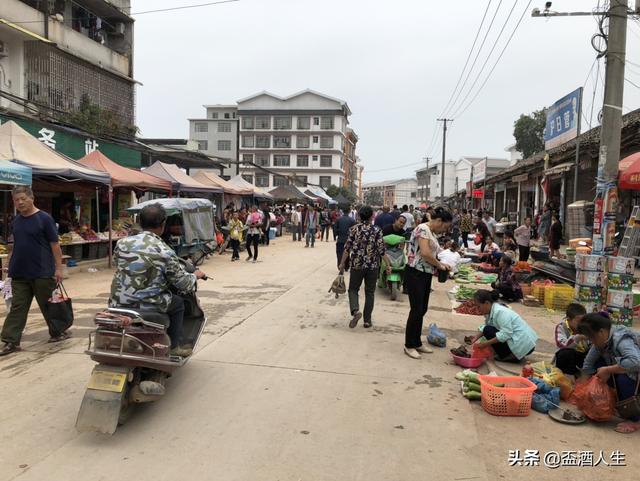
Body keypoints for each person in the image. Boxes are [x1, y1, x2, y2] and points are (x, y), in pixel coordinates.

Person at [110, 203, 206, 357]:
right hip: (150, 303)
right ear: (163, 225)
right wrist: (195, 276)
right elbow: (183, 283)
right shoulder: (165, 251)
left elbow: (118, 263)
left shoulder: (122, 244)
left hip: (118, 301)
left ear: (140, 222)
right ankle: (174, 346)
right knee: (178, 303)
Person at [0, 187, 66, 356]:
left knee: (48, 305)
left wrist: (58, 268)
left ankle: (58, 331)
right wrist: (8, 263)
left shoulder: (44, 219)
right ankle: (11, 341)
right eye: (16, 200)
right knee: (17, 307)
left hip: (42, 271)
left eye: (23, 198)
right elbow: (15, 245)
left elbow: (55, 245)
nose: (20, 202)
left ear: (32, 198)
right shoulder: (16, 221)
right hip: (19, 272)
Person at [403, 207, 453, 359]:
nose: (444, 230)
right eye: (444, 226)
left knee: (422, 309)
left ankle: (416, 342)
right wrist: (439, 265)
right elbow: (424, 253)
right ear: (439, 221)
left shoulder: (431, 232)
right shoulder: (423, 229)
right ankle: (409, 345)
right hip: (415, 272)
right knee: (416, 309)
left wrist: (443, 264)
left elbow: (431, 253)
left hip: (425, 273)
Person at [579, 313, 640, 434]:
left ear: (601, 332)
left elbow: (635, 361)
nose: (591, 342)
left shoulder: (621, 338)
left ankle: (636, 419)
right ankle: (621, 403)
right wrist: (581, 392)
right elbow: (587, 365)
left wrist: (608, 370)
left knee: (623, 378)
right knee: (598, 367)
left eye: (592, 338)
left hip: (636, 369)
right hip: (631, 369)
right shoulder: (601, 342)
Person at [338, 206, 391, 329]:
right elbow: (382, 250)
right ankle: (367, 320)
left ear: (359, 216)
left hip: (357, 265)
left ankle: (356, 311)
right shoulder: (377, 230)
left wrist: (342, 263)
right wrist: (388, 265)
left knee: (353, 289)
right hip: (373, 266)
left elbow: (347, 248)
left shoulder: (353, 230)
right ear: (372, 216)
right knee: (370, 292)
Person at [469, 289, 538, 363]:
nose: (477, 309)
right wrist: (476, 337)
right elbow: (488, 324)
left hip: (525, 344)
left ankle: (510, 356)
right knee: (487, 329)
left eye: (478, 306)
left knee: (488, 330)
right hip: (518, 340)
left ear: (486, 303)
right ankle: (509, 353)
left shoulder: (500, 312)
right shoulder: (490, 311)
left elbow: (506, 334)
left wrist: (486, 343)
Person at [554, 303, 589, 375]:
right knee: (565, 353)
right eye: (578, 322)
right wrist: (578, 337)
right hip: (568, 358)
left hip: (582, 358)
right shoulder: (561, 327)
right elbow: (562, 345)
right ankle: (568, 376)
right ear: (569, 319)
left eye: (583, 321)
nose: (581, 324)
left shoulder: (585, 327)